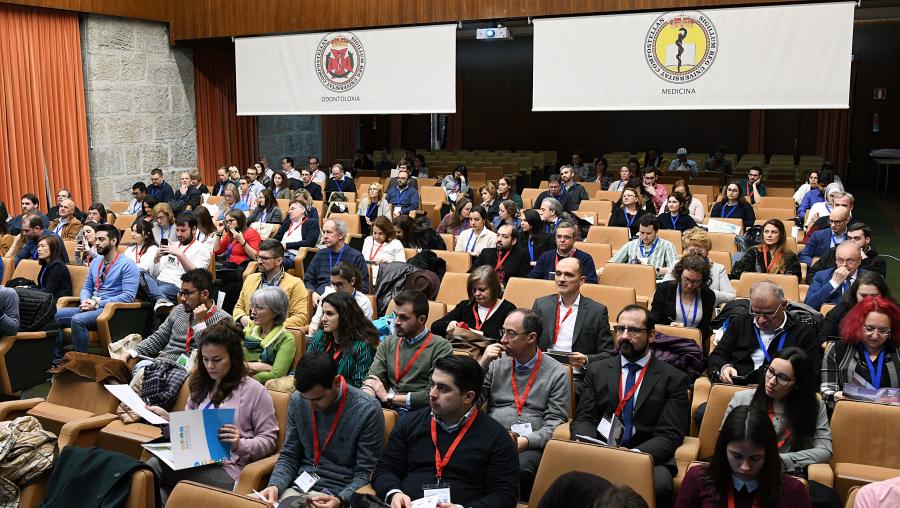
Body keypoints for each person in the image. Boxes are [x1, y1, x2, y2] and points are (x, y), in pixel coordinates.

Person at [144, 322, 278, 505]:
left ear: (233, 358)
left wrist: (239, 444)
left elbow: (269, 440)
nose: (210, 366)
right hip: (194, 460)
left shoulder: (255, 391)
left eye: (217, 360)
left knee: (150, 471)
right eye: (205, 359)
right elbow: (188, 433)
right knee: (154, 487)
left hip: (229, 470)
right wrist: (169, 421)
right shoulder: (200, 385)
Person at [571, 305, 689, 508]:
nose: (624, 336)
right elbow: (584, 418)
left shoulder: (674, 379)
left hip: (647, 454)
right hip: (600, 449)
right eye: (620, 329)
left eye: (633, 330)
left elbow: (669, 434)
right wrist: (591, 447)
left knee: (660, 487)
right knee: (571, 479)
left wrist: (633, 455)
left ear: (651, 336)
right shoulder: (597, 371)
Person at [371, 355, 519, 508]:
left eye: (443, 388)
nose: (432, 394)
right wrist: (394, 493)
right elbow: (385, 469)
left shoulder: (496, 437)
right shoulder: (409, 423)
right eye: (433, 385)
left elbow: (505, 495)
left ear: (468, 397)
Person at [258, 351, 383, 507]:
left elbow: (365, 473)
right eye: (306, 399)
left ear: (336, 382)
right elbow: (289, 455)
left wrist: (340, 499)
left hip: (337, 494)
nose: (311, 406)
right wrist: (275, 485)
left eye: (317, 399)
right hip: (297, 489)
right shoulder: (297, 399)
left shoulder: (367, 410)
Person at [479, 309, 570, 499]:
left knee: (520, 468)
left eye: (511, 334)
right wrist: (482, 365)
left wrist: (526, 441)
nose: (503, 340)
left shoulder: (556, 372)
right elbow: (470, 400)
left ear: (531, 337)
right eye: (503, 332)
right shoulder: (496, 362)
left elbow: (554, 422)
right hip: (493, 436)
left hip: (528, 444)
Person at [725, 348, 834, 478]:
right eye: (770, 371)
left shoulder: (814, 406)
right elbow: (724, 442)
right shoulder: (741, 399)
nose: (771, 381)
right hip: (742, 469)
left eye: (783, 378)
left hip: (785, 475)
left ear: (797, 384)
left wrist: (779, 460)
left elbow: (824, 450)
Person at [675, 406, 811, 508]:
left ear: (769, 454)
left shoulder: (794, 491)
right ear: (723, 449)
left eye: (755, 458)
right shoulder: (696, 479)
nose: (745, 467)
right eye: (737, 456)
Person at [708, 281, 819, 386]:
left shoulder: (803, 332)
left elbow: (811, 373)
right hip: (736, 384)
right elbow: (717, 355)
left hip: (779, 390)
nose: (761, 320)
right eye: (756, 312)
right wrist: (724, 367)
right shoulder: (740, 322)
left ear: (784, 305)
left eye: (769, 314)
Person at [116, 269, 232, 368]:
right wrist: (131, 352)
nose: (182, 299)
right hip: (163, 363)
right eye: (181, 293)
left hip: (191, 372)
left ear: (204, 294)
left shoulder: (223, 320)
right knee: (120, 368)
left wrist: (200, 324)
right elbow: (158, 338)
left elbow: (208, 354)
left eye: (187, 294)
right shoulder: (180, 310)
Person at [54, 224, 139, 358]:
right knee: (54, 315)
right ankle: (58, 357)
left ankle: (80, 362)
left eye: (101, 239)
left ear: (113, 241)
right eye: (97, 239)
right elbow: (87, 288)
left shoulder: (128, 265)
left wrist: (97, 303)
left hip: (111, 310)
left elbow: (128, 297)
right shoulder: (96, 262)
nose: (97, 243)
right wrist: (85, 301)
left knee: (77, 320)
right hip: (92, 306)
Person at [362, 290, 453, 412]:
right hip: (386, 407)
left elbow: (433, 394)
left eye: (403, 317)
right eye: (395, 315)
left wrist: (389, 397)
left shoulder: (441, 347)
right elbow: (373, 379)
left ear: (421, 320)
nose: (397, 322)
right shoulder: (389, 342)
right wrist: (365, 397)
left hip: (418, 412)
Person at [532, 258, 614, 379]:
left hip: (577, 377)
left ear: (581, 280)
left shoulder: (597, 311)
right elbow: (528, 342)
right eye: (558, 274)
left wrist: (586, 360)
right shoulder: (541, 305)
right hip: (542, 374)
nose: (561, 279)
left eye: (568, 275)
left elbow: (609, 354)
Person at [821, 296, 900, 409]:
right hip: (849, 413)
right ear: (858, 325)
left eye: (883, 331)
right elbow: (826, 388)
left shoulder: (897, 350)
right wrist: (834, 395)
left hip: (892, 415)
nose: (875, 335)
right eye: (869, 328)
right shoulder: (837, 349)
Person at [306, 291, 379, 388]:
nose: (323, 319)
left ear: (345, 316)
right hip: (314, 390)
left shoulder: (362, 345)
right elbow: (305, 367)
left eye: (329, 314)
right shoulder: (319, 336)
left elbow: (359, 385)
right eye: (323, 313)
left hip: (345, 395)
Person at [232, 239, 309, 330]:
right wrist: (242, 318)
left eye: (264, 258)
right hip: (248, 331)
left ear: (279, 261)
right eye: (258, 257)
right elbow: (239, 307)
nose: (259, 262)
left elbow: (300, 318)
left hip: (276, 334)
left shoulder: (295, 283)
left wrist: (270, 325)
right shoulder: (250, 279)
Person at [431, 266, 517, 340]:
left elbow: (507, 339)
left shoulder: (508, 309)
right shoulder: (465, 305)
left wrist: (472, 333)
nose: (477, 294)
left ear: (494, 288)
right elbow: (435, 326)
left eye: (482, 290)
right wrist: (448, 325)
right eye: (474, 290)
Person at [148, 214, 212, 310]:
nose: (179, 234)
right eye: (177, 230)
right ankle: (160, 298)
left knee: (150, 293)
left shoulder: (202, 249)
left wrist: (180, 255)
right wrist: (157, 258)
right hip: (158, 281)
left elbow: (197, 277)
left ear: (194, 229)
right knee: (140, 273)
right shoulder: (172, 245)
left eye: (183, 231)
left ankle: (159, 297)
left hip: (176, 285)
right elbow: (154, 273)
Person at [650, 253, 717, 343]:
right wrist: (670, 328)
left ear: (703, 280)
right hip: (664, 339)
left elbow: (705, 329)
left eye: (696, 282)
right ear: (679, 274)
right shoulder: (665, 289)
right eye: (686, 279)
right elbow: (654, 320)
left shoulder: (708, 295)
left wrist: (687, 333)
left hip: (692, 344)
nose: (689, 285)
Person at [304, 218, 368, 305]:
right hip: (319, 300)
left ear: (340, 235)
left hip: (344, 302)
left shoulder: (356, 256)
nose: (325, 236)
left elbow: (363, 287)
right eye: (324, 232)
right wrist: (313, 293)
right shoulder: (320, 254)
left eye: (329, 232)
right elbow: (308, 280)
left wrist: (346, 299)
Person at [664, 228, 735, 306]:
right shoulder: (676, 265)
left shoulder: (719, 269)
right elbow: (664, 289)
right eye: (692, 252)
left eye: (700, 253)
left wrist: (707, 293)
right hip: (678, 306)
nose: (696, 256)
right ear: (686, 249)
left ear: (707, 251)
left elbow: (731, 296)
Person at [242, 286, 297, 384]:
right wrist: (253, 366)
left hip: (263, 388)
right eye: (252, 306)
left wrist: (242, 375)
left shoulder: (286, 339)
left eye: (259, 308)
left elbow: (276, 375)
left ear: (275, 312)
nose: (253, 312)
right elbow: (230, 363)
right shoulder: (248, 330)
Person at [819, 271, 892, 340]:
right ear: (855, 294)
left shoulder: (892, 313)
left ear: (882, 295)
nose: (868, 300)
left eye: (874, 296)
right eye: (863, 295)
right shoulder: (841, 309)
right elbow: (822, 337)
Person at [213, 210, 261, 312]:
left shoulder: (252, 233)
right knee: (212, 273)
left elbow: (256, 256)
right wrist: (219, 233)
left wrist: (242, 241)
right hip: (229, 266)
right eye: (226, 221)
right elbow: (216, 251)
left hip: (242, 267)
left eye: (231, 220)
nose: (228, 224)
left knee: (213, 274)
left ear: (239, 220)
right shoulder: (230, 234)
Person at [307, 262, 374, 335]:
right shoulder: (326, 296)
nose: (335, 288)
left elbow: (363, 331)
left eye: (339, 284)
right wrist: (313, 331)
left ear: (352, 281)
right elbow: (315, 323)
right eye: (333, 284)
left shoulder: (363, 302)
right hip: (326, 337)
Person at [528, 220, 598, 283]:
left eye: (567, 237)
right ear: (555, 239)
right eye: (559, 237)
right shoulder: (546, 256)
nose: (562, 240)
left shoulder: (585, 258)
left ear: (574, 239)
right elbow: (532, 278)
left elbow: (591, 283)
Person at [732, 219, 802, 282]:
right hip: (756, 289)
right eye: (766, 232)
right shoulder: (754, 251)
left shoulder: (790, 256)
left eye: (774, 232)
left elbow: (793, 280)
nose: (769, 235)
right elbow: (738, 272)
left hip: (779, 290)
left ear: (781, 235)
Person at [609, 215, 678, 276]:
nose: (645, 237)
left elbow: (675, 269)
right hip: (633, 280)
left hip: (657, 282)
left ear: (656, 231)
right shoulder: (631, 245)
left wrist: (655, 270)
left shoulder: (667, 246)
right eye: (642, 233)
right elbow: (611, 264)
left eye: (649, 233)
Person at [805, 241, 866, 311]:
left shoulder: (869, 277)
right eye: (840, 260)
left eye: (850, 260)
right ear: (836, 261)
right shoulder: (821, 276)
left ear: (859, 261)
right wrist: (833, 283)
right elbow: (809, 305)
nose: (844, 265)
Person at [35, 235, 72, 304]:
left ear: (53, 248)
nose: (39, 249)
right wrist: (26, 287)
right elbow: (41, 287)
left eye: (43, 246)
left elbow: (49, 291)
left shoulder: (58, 266)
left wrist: (28, 291)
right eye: (38, 246)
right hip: (45, 299)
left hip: (57, 302)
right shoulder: (45, 264)